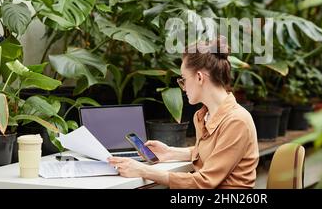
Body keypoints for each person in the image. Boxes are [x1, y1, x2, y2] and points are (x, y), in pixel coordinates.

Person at [108, 37, 259, 188]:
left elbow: (204, 182)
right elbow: (213, 153)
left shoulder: (237, 121)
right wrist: (169, 153)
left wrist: (143, 170)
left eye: (184, 79)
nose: (183, 87)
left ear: (199, 77)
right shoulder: (203, 116)